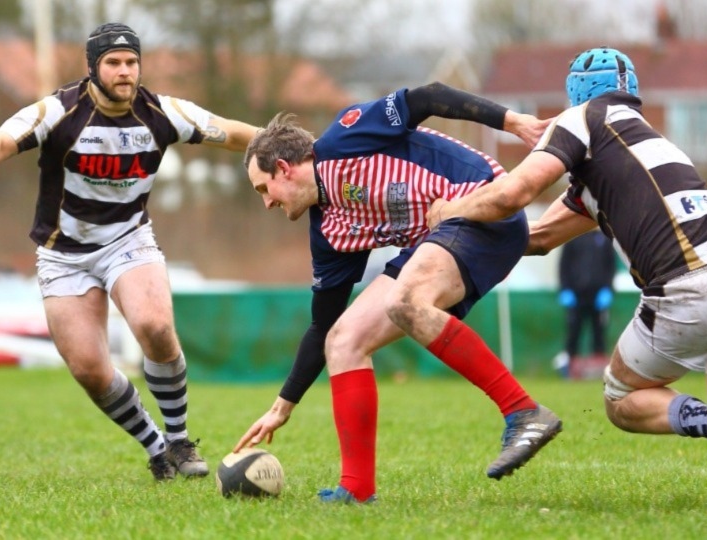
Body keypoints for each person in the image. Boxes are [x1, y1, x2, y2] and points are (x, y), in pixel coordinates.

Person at [428, 47, 707, 512]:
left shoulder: (581, 118)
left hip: (694, 286)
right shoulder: (638, 146)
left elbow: (514, 193)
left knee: (622, 398)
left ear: (574, 92)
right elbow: (538, 237)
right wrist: (476, 229)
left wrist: (449, 212)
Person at [0, 23, 262, 481]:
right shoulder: (58, 110)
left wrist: (300, 148)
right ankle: (157, 449)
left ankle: (180, 441)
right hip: (63, 254)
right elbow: (3, 136)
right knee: (89, 370)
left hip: (128, 239)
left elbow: (233, 132)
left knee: (155, 326)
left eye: (132, 62)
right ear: (93, 68)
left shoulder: (163, 112)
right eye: (114, 63)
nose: (125, 72)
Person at [233, 83, 562, 504]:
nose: (266, 204)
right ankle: (356, 490)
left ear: (283, 168)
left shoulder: (345, 138)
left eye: (264, 189)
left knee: (404, 301)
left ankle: (523, 412)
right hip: (440, 239)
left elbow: (426, 97)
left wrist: (513, 121)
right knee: (344, 340)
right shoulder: (329, 232)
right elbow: (322, 325)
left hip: (483, 205)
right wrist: (282, 406)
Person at [554, 229, 616, 378]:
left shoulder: (605, 239)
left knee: (599, 333)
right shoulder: (572, 238)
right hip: (576, 296)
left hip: (598, 296)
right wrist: (565, 289)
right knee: (573, 332)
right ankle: (571, 372)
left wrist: (608, 289)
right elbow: (563, 266)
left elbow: (611, 267)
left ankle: (598, 372)